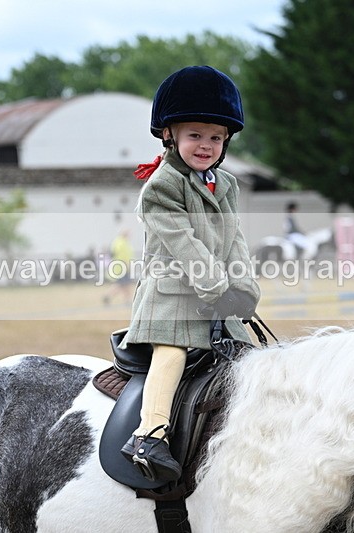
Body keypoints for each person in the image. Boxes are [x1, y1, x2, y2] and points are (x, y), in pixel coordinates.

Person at [120, 65, 261, 482]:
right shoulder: (162, 186)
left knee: (252, 361)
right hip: (172, 297)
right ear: (170, 135)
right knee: (172, 354)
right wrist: (218, 286)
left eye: (215, 137)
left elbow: (234, 240)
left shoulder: (226, 185)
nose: (206, 145)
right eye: (195, 135)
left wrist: (243, 288)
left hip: (217, 298)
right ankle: (149, 436)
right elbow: (184, 245)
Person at [102, 228, 135, 305]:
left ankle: (126, 299)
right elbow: (123, 255)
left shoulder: (119, 242)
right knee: (123, 284)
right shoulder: (122, 243)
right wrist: (127, 265)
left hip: (119, 267)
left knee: (124, 284)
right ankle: (109, 295)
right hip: (122, 267)